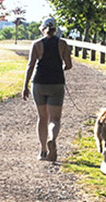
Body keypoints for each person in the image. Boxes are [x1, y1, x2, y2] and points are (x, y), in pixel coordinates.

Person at [22, 17, 73, 161]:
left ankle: (43, 151)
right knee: (55, 119)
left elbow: (30, 65)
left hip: (39, 83)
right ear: (55, 29)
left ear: (42, 29)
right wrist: (60, 68)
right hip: (56, 83)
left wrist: (25, 85)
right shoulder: (62, 44)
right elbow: (68, 65)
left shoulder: (37, 44)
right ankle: (53, 139)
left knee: (42, 117)